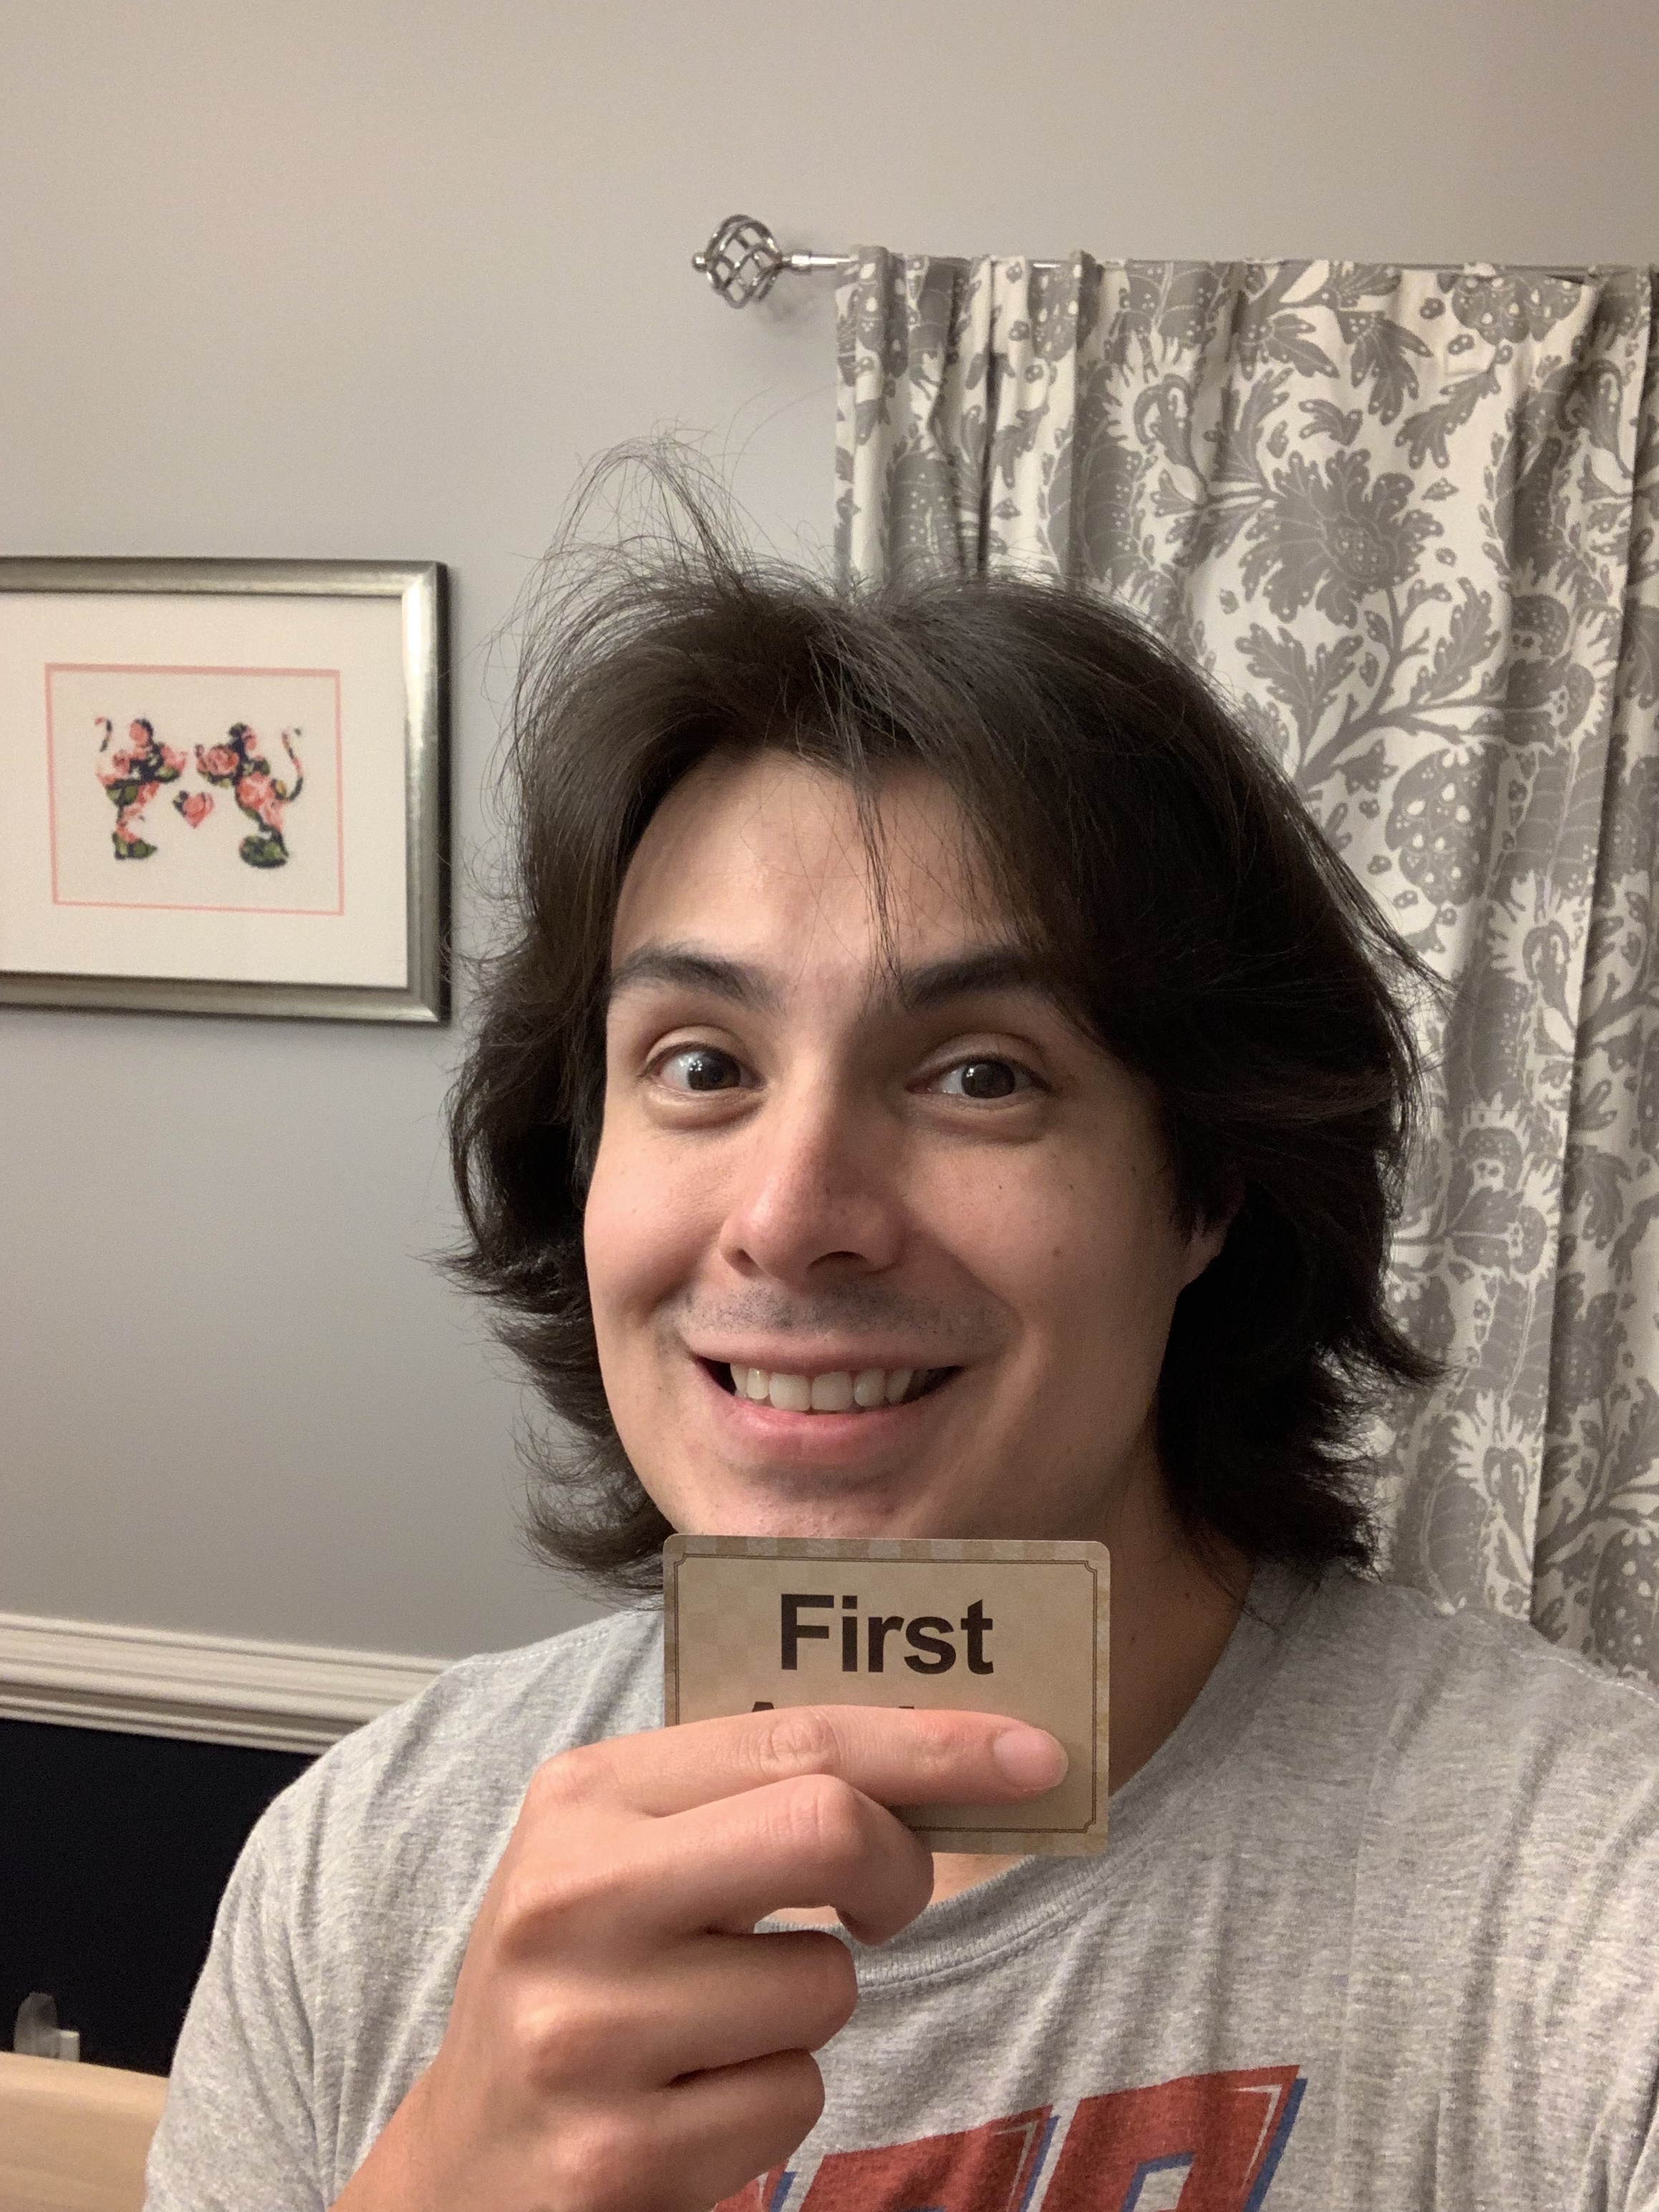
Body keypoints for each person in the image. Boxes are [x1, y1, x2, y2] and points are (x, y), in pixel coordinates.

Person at [145, 504, 1659, 2212]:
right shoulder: (358, 1871)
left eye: (982, 1073)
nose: (792, 1217)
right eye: (702, 1064)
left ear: (1208, 1186)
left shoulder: (1596, 1905)